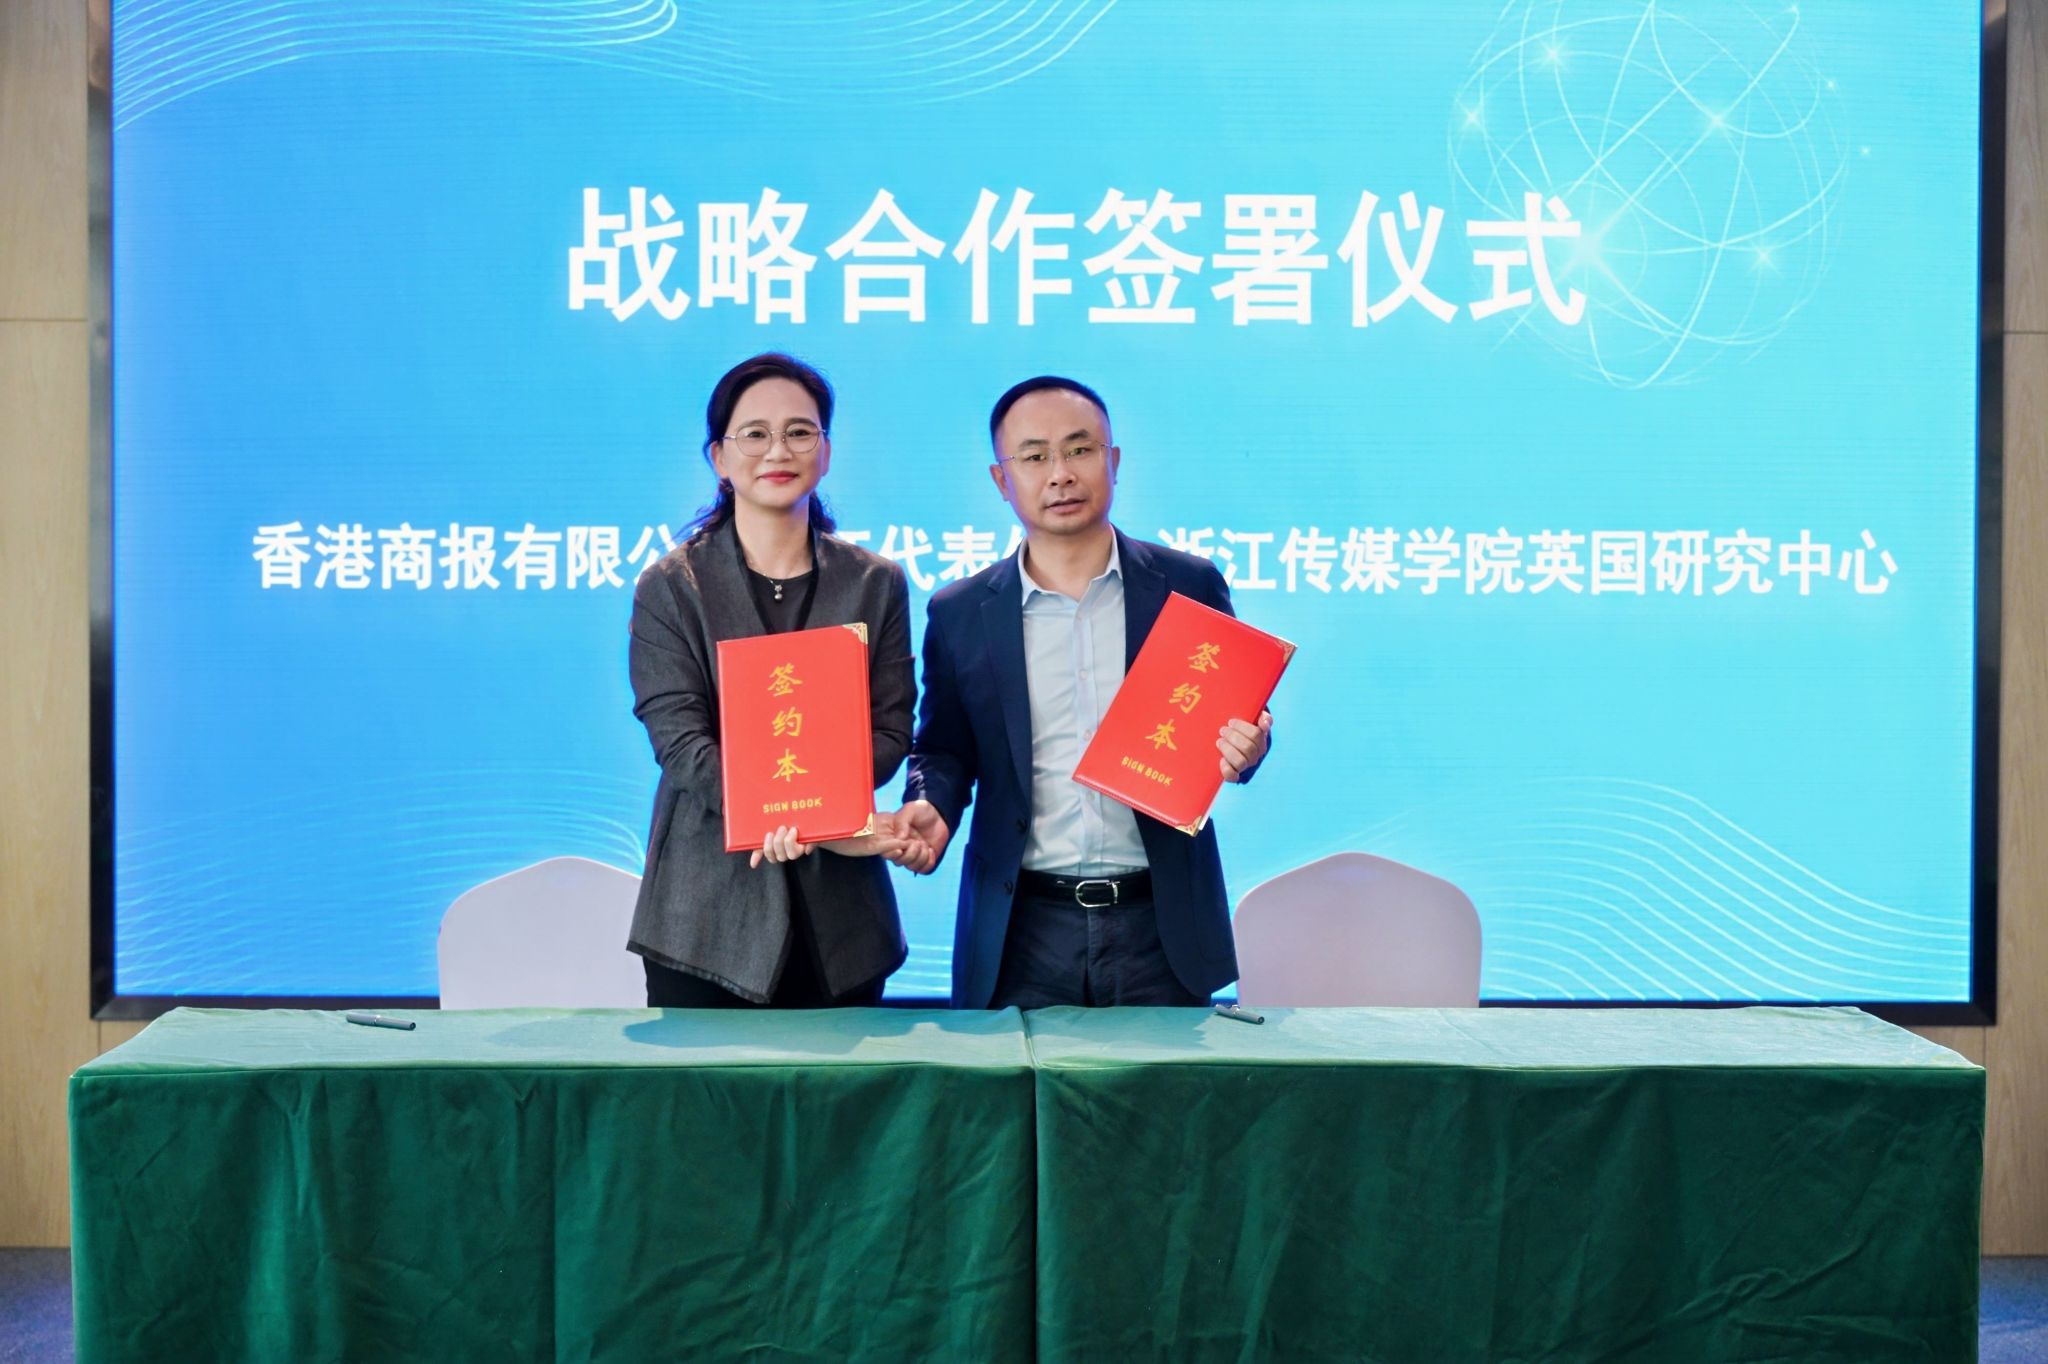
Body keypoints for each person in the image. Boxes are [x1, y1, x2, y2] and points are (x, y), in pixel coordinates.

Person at [896, 376, 1273, 1009]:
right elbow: (943, 748)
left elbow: (1236, 717)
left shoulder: (1188, 586)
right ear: (1002, 480)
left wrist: (1249, 748)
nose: (1061, 474)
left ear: (1114, 461)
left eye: (1079, 449)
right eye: (1034, 456)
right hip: (1021, 928)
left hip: (1161, 924)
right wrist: (930, 802)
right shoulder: (961, 612)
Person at [627, 352, 927, 1007]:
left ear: (826, 452)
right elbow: (681, 744)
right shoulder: (672, 587)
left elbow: (890, 731)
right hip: (705, 923)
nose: (778, 450)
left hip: (845, 928)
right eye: (754, 434)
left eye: (799, 432)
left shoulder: (876, 583)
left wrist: (818, 816)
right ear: (719, 457)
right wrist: (790, 811)